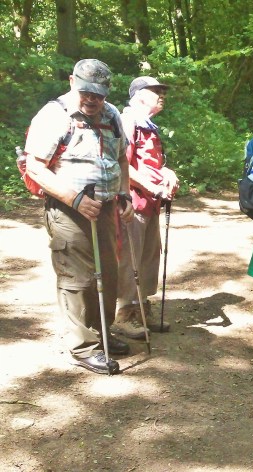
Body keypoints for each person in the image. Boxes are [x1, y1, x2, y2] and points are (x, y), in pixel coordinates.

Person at [23, 59, 134, 374]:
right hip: (68, 209)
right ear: (72, 82)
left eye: (98, 94)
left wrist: (124, 194)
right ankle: (83, 346)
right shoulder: (54, 116)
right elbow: (35, 167)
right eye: (86, 92)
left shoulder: (111, 115)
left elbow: (121, 159)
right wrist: (75, 199)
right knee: (78, 278)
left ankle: (102, 333)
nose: (92, 99)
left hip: (105, 206)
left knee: (107, 273)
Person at [112, 76, 179, 340]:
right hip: (133, 203)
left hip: (150, 203)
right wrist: (152, 187)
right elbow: (122, 165)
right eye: (155, 91)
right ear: (139, 95)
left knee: (148, 257)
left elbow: (149, 163)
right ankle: (124, 315)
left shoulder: (147, 125)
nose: (162, 95)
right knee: (131, 257)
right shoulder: (128, 122)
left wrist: (166, 173)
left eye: (162, 91)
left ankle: (141, 309)